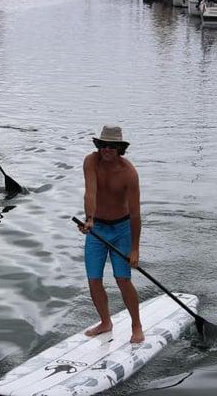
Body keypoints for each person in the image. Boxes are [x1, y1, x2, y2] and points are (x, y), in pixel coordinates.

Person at [77, 125, 144, 343]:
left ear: (119, 148)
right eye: (103, 145)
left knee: (122, 278)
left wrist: (135, 249)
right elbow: (91, 192)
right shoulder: (91, 161)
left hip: (122, 230)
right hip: (97, 229)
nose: (106, 150)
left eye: (111, 146)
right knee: (94, 280)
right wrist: (89, 219)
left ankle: (136, 325)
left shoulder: (129, 174)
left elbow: (135, 214)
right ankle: (106, 322)